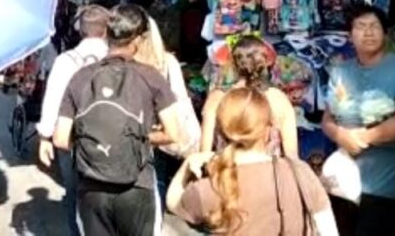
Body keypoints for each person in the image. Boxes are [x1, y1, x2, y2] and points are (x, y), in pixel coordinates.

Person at [53, 5, 185, 236]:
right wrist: (137, 137)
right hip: (137, 185)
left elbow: (61, 139)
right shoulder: (151, 77)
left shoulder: (81, 77)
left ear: (106, 34)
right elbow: (173, 133)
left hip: (92, 187)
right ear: (139, 40)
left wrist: (96, 140)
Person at [167, 87, 338, 236]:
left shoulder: (210, 187)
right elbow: (328, 230)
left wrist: (187, 164)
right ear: (268, 130)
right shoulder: (300, 173)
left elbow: (172, 202)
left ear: (221, 131)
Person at [321, 4, 395, 236]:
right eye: (361, 26)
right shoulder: (340, 72)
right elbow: (327, 118)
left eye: (374, 26)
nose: (368, 32)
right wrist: (340, 135)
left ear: (385, 33)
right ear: (350, 36)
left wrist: (364, 138)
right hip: (343, 184)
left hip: (386, 185)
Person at [37, 4, 111, 236]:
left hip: (71, 138)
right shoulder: (116, 59)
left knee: (75, 195)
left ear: (81, 30)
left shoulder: (65, 61)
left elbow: (53, 99)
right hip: (111, 138)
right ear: (106, 30)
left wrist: (45, 137)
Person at [131, 15, 201, 235]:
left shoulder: (128, 63)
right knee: (157, 180)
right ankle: (154, 226)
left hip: (134, 129)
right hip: (163, 130)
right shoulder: (168, 62)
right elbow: (180, 98)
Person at [199, 36, 298, 157]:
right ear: (264, 63)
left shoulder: (217, 98)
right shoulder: (278, 98)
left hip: (227, 167)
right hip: (267, 167)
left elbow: (204, 153)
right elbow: (292, 155)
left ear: (233, 63)